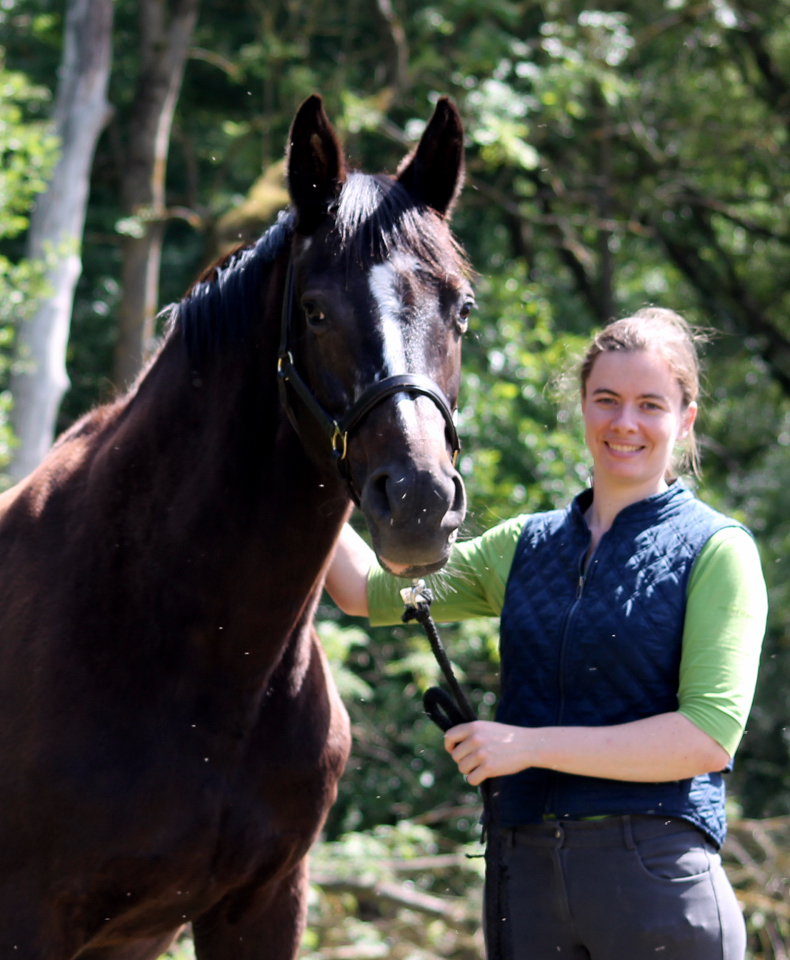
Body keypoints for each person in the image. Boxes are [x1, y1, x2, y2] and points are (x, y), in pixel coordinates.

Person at [325, 308, 767, 960]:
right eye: (607, 400)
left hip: (656, 882)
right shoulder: (521, 547)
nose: (625, 423)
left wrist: (525, 747)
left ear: (686, 418)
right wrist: (308, 468)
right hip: (523, 882)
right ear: (582, 406)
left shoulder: (717, 551)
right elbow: (367, 592)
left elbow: (704, 738)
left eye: (650, 405)